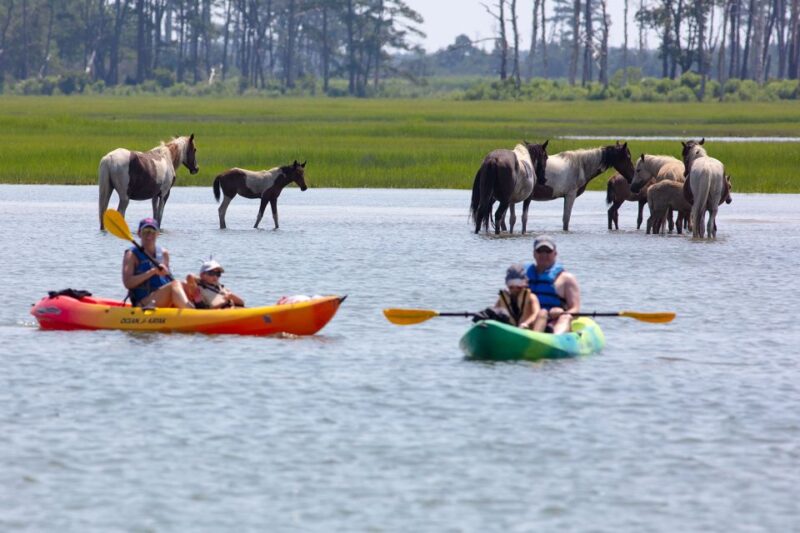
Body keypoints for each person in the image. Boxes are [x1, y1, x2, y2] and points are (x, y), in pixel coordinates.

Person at [122, 217, 194, 308]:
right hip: (143, 303)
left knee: (186, 284)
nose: (149, 234)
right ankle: (192, 312)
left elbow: (169, 280)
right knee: (174, 285)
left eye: (153, 231)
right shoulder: (131, 255)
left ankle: (203, 310)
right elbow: (128, 283)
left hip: (162, 298)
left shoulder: (164, 254)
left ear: (158, 234)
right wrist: (152, 272)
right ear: (139, 233)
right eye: (146, 231)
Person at [525, 235, 581, 334]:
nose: (544, 255)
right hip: (531, 318)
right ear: (534, 254)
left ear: (555, 253)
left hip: (555, 321)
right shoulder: (524, 276)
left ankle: (554, 337)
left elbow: (575, 309)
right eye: (540, 251)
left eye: (548, 251)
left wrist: (561, 312)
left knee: (566, 317)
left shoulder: (567, 279)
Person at [493, 263, 541, 329]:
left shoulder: (531, 297)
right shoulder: (502, 299)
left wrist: (526, 323)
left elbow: (536, 313)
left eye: (518, 286)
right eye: (511, 286)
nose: (515, 289)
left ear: (524, 284)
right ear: (507, 285)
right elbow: (493, 312)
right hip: (510, 330)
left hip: (527, 329)